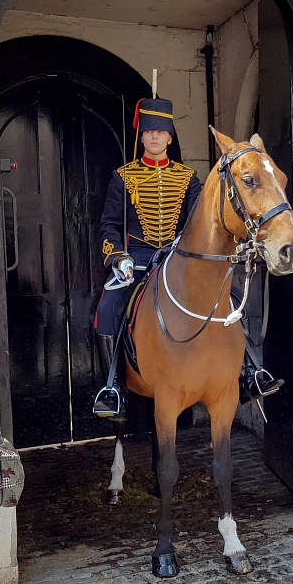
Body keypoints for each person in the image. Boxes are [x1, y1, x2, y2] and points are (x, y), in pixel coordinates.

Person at [92, 97, 201, 419]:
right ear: (142, 137)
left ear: (169, 137)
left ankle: (248, 372)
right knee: (106, 308)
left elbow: (198, 220)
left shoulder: (187, 178)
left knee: (232, 299)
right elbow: (109, 224)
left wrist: (186, 242)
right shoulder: (123, 176)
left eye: (161, 132)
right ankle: (112, 388)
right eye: (149, 131)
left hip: (177, 256)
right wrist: (118, 257)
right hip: (136, 257)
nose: (154, 137)